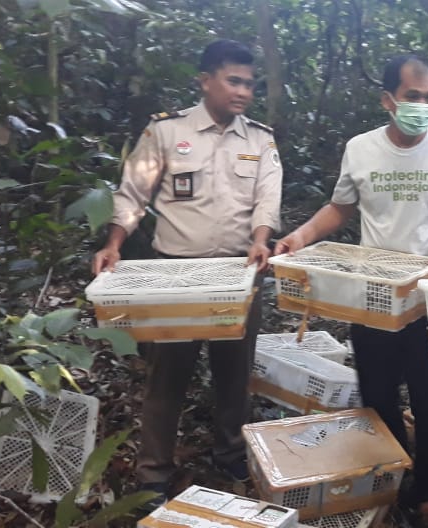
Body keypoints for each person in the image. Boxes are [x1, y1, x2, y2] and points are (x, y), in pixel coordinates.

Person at [273, 55, 428, 517]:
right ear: (388, 100)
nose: (423, 106)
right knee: (378, 396)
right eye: (413, 97)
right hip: (373, 298)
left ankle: (427, 491)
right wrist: (299, 237)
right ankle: (388, 478)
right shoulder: (361, 149)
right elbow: (340, 207)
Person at [90, 39, 283, 504]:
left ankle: (230, 451)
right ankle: (154, 472)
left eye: (249, 84)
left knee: (235, 372)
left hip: (239, 272)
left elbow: (267, 198)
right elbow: (132, 193)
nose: (243, 93)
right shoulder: (165, 132)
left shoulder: (259, 139)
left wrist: (261, 239)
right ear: (206, 80)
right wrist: (113, 244)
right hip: (175, 275)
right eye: (233, 81)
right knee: (166, 376)